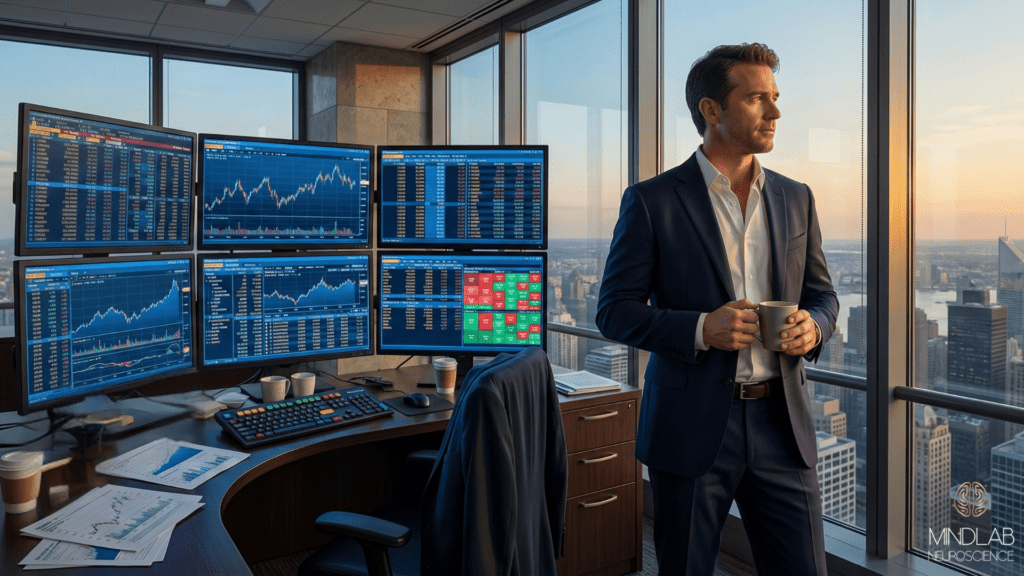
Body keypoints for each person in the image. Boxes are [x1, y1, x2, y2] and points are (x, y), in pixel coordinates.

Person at [595, 43, 839, 575]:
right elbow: (613, 311)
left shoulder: (798, 198)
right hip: (690, 425)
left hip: (782, 424)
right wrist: (704, 328)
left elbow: (823, 295)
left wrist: (813, 328)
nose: (775, 112)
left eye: (775, 98)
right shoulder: (652, 200)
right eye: (757, 99)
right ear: (711, 110)